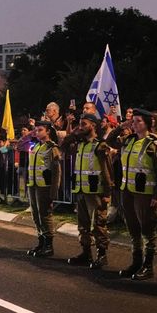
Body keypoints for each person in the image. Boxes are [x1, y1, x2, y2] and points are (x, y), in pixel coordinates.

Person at [117, 108, 157, 280]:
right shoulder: (128, 141)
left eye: (138, 121)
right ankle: (136, 262)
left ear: (148, 124)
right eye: (133, 121)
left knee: (147, 229)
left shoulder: (154, 144)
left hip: (145, 194)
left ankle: (148, 266)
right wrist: (120, 127)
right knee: (133, 229)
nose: (134, 124)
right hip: (128, 192)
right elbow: (109, 140)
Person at [66, 113, 113, 269]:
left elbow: (107, 171)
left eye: (84, 124)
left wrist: (107, 194)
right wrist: (75, 131)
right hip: (81, 189)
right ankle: (86, 253)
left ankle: (102, 254)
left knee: (98, 224)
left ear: (93, 125)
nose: (81, 127)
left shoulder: (100, 145)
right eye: (80, 124)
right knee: (83, 225)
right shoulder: (80, 144)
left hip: (96, 192)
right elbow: (64, 145)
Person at [26, 121, 62, 257]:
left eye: (40, 130)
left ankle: (49, 245)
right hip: (33, 185)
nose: (37, 132)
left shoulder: (52, 148)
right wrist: (30, 133)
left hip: (45, 187)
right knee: (35, 215)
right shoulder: (35, 146)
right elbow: (19, 145)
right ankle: (41, 242)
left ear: (48, 132)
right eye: (35, 130)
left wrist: (54, 191)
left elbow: (57, 171)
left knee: (45, 215)